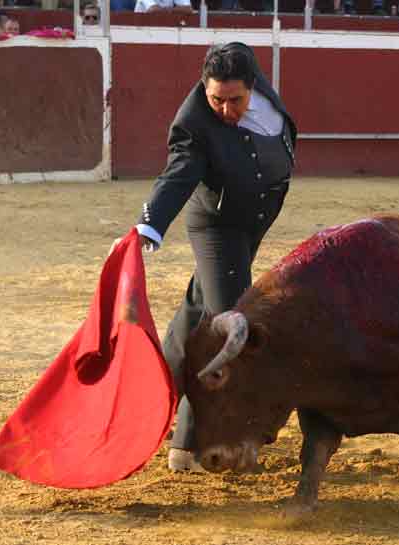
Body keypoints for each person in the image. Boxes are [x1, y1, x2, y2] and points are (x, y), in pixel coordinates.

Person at [114, 43, 296, 472]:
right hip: (218, 227)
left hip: (251, 222)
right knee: (225, 325)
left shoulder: (259, 88)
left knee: (193, 323)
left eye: (235, 99)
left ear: (253, 86)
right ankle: (190, 445)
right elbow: (178, 174)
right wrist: (149, 224)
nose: (225, 109)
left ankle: (142, 404)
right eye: (216, 99)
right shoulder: (195, 123)